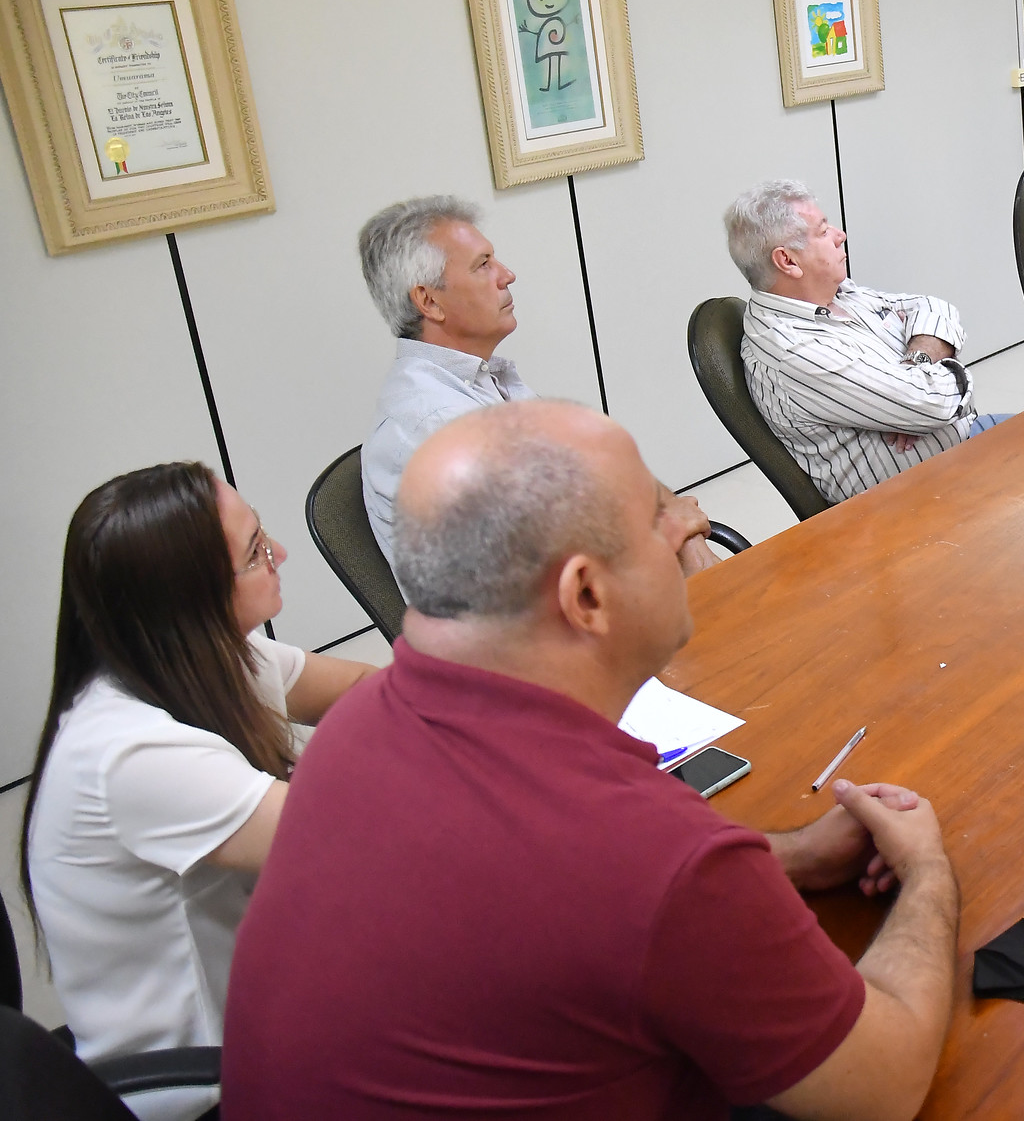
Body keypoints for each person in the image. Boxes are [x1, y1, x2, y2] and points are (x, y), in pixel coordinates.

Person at [221, 400, 959, 1120]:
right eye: (654, 515)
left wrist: (794, 855)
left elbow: (542, 894)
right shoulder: (648, 853)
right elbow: (883, 1085)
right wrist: (926, 874)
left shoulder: (350, 732)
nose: (685, 522)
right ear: (585, 594)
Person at [20, 463, 374, 1121]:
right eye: (256, 552)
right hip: (209, 1090)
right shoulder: (129, 752)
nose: (281, 555)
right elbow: (359, 839)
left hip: (277, 1015)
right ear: (191, 596)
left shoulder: (204, 660)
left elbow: (366, 691)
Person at [357, 195, 718, 571]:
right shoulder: (433, 425)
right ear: (429, 302)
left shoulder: (485, 381)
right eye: (483, 265)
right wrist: (674, 528)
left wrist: (683, 532)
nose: (506, 274)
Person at [726, 179, 1005, 504]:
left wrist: (918, 362)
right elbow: (935, 403)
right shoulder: (792, 349)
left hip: (962, 451)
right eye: (823, 231)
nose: (840, 235)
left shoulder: (837, 293)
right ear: (788, 261)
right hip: (925, 498)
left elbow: (933, 307)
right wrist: (919, 394)